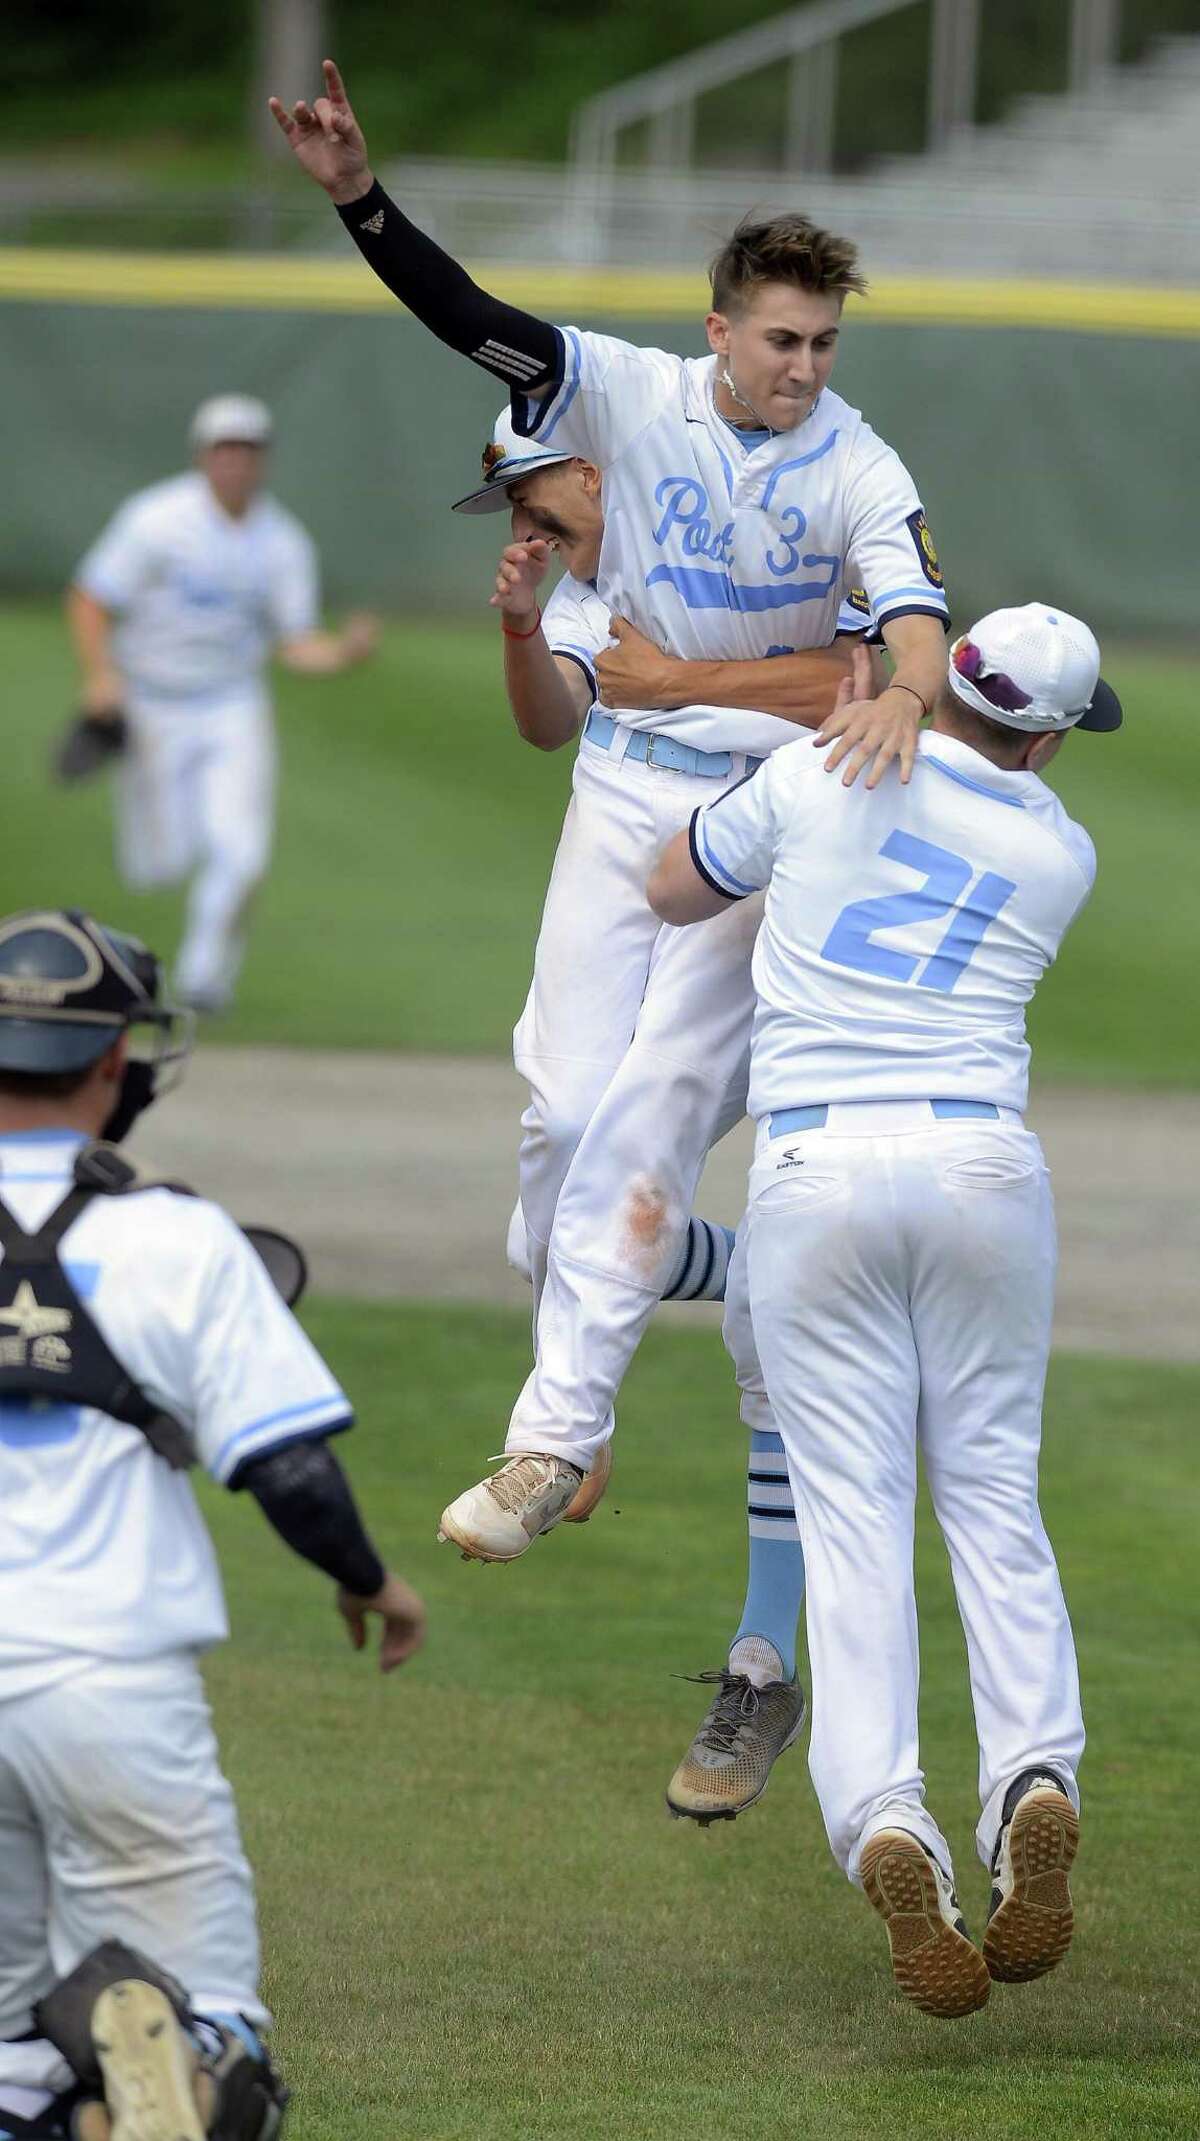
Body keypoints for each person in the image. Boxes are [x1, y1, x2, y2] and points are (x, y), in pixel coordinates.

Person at [270, 68, 950, 1569]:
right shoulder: (626, 393)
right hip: (625, 781)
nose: (805, 365)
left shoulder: (858, 458)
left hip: (767, 813)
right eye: (782, 338)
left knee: (644, 1115)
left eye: (825, 342)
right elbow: (470, 319)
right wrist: (355, 200)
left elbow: (912, 612)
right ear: (719, 329)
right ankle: (603, 1318)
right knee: (565, 1121)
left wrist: (901, 686)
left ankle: (551, 1433)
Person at [648, 604, 1118, 2015]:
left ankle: (890, 1823)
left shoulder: (815, 773)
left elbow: (670, 885)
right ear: (1037, 735)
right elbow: (969, 780)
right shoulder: (1059, 850)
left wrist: (820, 730)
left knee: (852, 1525)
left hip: (815, 1165)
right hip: (982, 1162)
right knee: (993, 1499)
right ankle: (1032, 1771)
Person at [456, 412, 884, 1821]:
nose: (526, 508)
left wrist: (692, 678)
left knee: (672, 1152)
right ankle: (579, 1357)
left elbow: (862, 684)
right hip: (649, 835)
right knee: (572, 1128)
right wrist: (526, 627)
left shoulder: (771, 521)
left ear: (601, 462)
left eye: (534, 483)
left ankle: (581, 1450)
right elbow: (557, 718)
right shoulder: (586, 582)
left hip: (772, 877)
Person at [0, 908, 425, 2137]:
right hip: (109, 1683)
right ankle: (177, 2049)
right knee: (217, 2037)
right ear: (114, 1066)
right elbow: (288, 1470)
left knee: (14, 2044)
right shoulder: (176, 1238)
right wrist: (368, 1578)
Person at [66, 395, 379, 1016]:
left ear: (263, 460)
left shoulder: (282, 540)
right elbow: (90, 596)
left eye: (248, 450)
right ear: (202, 455)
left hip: (232, 702)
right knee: (158, 864)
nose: (235, 462)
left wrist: (342, 652)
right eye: (224, 449)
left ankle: (203, 979)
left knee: (242, 852)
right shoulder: (155, 518)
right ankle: (187, 932)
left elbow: (294, 644)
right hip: (151, 703)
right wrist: (100, 677)